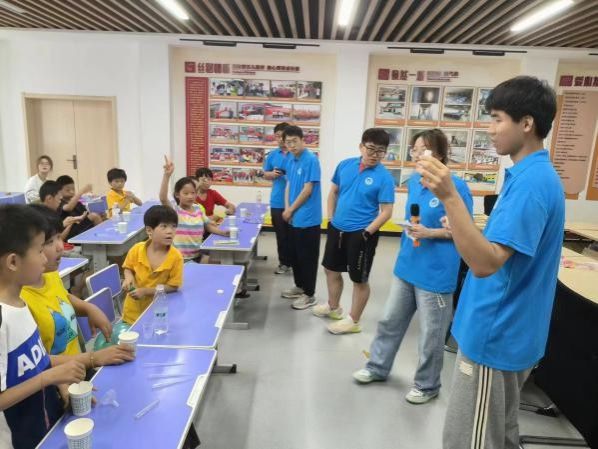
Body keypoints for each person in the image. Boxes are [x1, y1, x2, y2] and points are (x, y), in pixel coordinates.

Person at [416, 77, 564, 448]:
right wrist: (459, 223)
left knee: (472, 440)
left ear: (526, 123)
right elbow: (496, 248)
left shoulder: (531, 183)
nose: (490, 128)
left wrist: (450, 197)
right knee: (499, 433)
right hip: (505, 329)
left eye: (497, 119)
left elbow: (485, 263)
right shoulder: (531, 175)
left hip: (495, 335)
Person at [353, 129, 473, 405]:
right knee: (389, 322)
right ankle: (377, 367)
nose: (417, 155)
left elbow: (464, 231)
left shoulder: (456, 187)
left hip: (436, 274)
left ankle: (427, 385)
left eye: (423, 150)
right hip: (407, 267)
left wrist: (430, 233)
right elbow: (415, 221)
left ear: (439, 155)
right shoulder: (415, 182)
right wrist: (414, 229)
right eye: (414, 150)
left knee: (431, 335)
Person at [0, 204, 86, 449]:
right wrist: (49, 377)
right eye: (39, 250)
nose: (45, 258)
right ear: (13, 261)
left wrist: (62, 383)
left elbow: (35, 361)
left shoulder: (20, 303)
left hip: (44, 426)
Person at [21, 205, 134, 372]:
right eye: (49, 242)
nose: (60, 246)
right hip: (59, 379)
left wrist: (89, 308)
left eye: (59, 237)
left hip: (77, 368)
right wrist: (93, 358)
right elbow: (37, 362)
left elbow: (62, 298)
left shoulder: (49, 274)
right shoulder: (19, 301)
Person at [314, 128, 395, 334]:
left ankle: (353, 321)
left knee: (359, 279)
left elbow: (386, 212)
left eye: (380, 151)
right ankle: (333, 307)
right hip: (337, 228)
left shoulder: (384, 177)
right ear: (361, 146)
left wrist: (366, 233)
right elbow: (333, 192)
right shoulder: (345, 165)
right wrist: (331, 219)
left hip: (362, 233)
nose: (375, 155)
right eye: (371, 149)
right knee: (331, 269)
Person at [281, 126, 322, 310]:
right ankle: (299, 286)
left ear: (302, 140)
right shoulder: (290, 158)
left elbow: (308, 190)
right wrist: (287, 208)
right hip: (293, 216)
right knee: (295, 255)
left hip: (308, 218)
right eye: (288, 142)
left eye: (294, 141)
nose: (291, 145)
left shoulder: (311, 160)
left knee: (307, 258)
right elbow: (289, 184)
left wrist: (291, 210)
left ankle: (309, 294)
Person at [120, 205, 184, 325]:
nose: (170, 231)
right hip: (132, 313)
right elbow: (128, 268)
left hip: (159, 313)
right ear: (149, 230)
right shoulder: (136, 249)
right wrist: (128, 278)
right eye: (164, 226)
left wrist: (145, 291)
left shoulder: (176, 257)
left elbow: (173, 287)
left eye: (173, 226)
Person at [159, 156, 229, 262]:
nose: (190, 196)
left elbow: (208, 226)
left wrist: (223, 233)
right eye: (186, 193)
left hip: (197, 255)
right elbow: (163, 198)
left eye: (193, 193)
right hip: (179, 258)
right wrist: (167, 175)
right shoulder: (175, 211)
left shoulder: (198, 209)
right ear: (177, 194)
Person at [263, 122, 292, 274]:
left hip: (294, 201)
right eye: (277, 136)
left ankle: (295, 262)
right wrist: (272, 174)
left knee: (295, 235)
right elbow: (265, 174)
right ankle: (284, 263)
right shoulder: (272, 155)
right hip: (277, 201)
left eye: (282, 136)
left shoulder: (296, 154)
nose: (280, 139)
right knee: (281, 235)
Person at [56, 175, 103, 240]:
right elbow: (68, 208)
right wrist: (81, 192)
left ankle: (101, 239)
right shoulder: (60, 202)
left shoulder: (76, 202)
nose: (72, 192)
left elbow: (86, 214)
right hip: (70, 232)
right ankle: (102, 240)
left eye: (73, 189)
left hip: (81, 227)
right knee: (94, 216)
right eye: (68, 190)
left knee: (100, 216)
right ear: (59, 191)